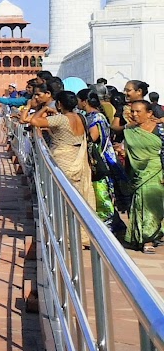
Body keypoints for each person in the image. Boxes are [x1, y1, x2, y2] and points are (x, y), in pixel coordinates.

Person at [29, 89, 96, 209]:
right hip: (79, 158)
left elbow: (34, 121)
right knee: (78, 194)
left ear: (59, 104)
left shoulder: (61, 119)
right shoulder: (81, 117)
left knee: (63, 194)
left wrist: (44, 109)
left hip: (63, 160)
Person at [122, 98, 164, 252]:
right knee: (141, 205)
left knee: (154, 205)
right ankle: (146, 239)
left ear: (149, 113)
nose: (134, 114)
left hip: (156, 172)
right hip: (137, 174)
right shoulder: (130, 131)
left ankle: (151, 235)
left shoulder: (160, 130)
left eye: (138, 111)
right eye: (132, 111)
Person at [81, 88, 120, 222]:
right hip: (94, 158)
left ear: (84, 102)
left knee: (101, 191)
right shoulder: (89, 116)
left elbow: (93, 137)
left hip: (100, 159)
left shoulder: (96, 117)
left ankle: (108, 221)